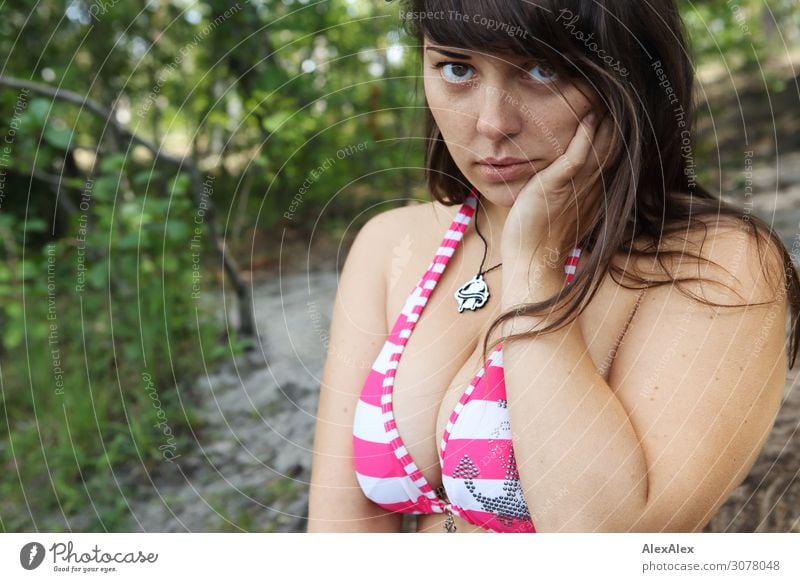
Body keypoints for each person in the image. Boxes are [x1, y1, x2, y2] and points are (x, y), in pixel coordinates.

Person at [307, 0, 800, 533]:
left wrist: (533, 266)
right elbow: (341, 526)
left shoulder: (718, 263)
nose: (493, 124)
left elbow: (602, 540)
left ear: (629, 78)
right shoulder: (390, 243)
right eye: (458, 69)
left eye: (545, 70)